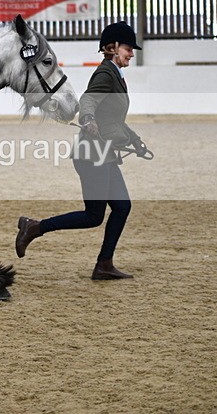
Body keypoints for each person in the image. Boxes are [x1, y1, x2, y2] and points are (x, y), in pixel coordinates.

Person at [15, 21, 150, 280]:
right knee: (93, 216)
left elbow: (112, 117)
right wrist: (87, 118)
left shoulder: (116, 75)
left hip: (104, 154)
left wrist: (134, 139)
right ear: (112, 48)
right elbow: (88, 100)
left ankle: (104, 264)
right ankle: (35, 227)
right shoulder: (105, 74)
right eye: (128, 49)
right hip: (91, 155)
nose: (132, 54)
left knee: (122, 206)